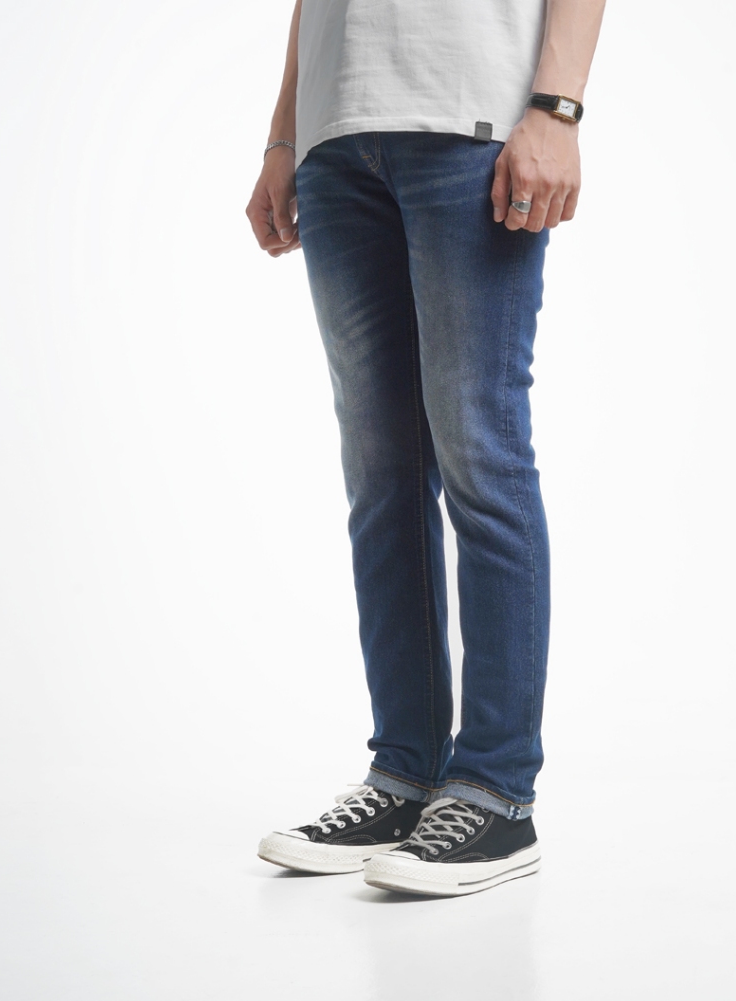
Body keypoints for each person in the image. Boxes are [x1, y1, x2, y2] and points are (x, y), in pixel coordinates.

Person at [247, 0, 605, 896]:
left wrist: (558, 109)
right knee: (381, 477)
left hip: (471, 119)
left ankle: (496, 793)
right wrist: (285, 136)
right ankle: (405, 775)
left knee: (480, 453)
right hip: (337, 137)